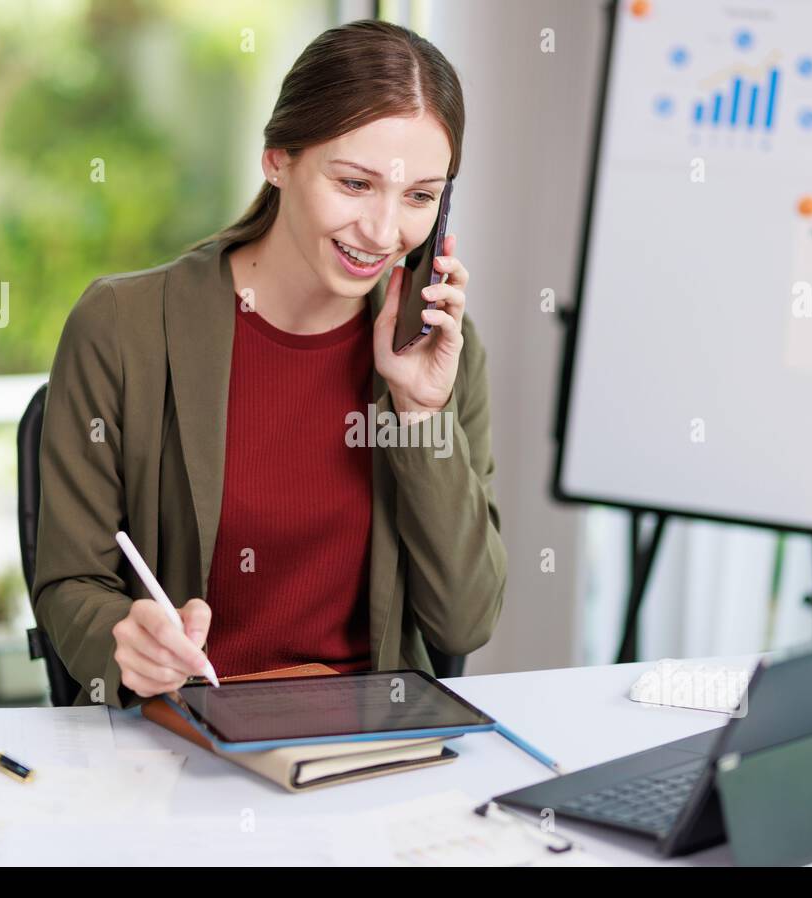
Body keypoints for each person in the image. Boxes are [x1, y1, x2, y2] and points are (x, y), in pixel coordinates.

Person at [32, 19, 505, 708]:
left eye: (420, 196)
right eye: (354, 183)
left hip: (364, 750)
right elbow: (70, 581)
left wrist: (421, 414)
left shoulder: (439, 354)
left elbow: (465, 619)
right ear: (278, 158)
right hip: (178, 746)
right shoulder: (120, 328)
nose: (383, 231)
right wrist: (122, 639)